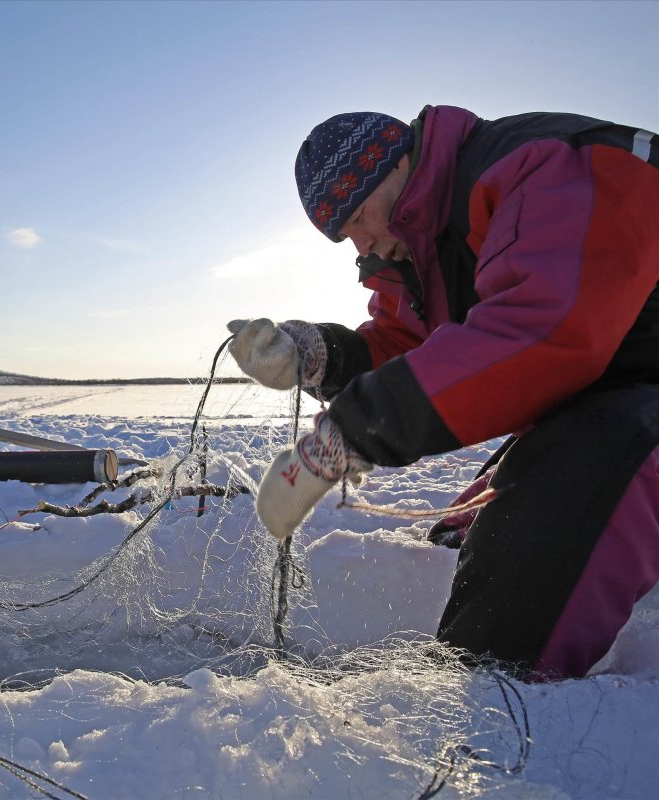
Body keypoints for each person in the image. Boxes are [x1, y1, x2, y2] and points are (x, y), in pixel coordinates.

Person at [229, 106, 658, 679]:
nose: (360, 243)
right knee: (490, 515)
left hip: (631, 406)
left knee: (541, 541)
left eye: (360, 216)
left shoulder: (547, 165)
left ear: (400, 162)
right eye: (344, 234)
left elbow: (541, 333)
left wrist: (346, 437)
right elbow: (407, 341)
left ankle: (496, 716)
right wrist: (320, 356)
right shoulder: (420, 243)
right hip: (618, 388)